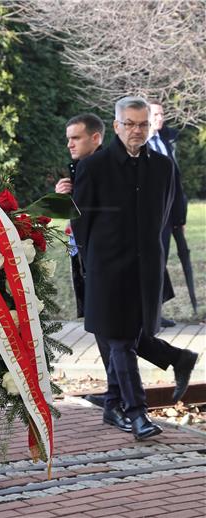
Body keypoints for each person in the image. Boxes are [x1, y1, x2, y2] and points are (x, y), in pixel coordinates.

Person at [57, 114, 198, 407]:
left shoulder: (112, 168)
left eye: (76, 138)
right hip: (93, 260)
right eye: (68, 138)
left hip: (117, 264)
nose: (69, 144)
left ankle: (133, 398)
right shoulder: (84, 166)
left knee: (118, 333)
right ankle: (117, 392)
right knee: (106, 328)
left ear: (96, 138)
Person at [71, 96, 174, 441]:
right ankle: (137, 412)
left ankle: (114, 403)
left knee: (124, 339)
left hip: (145, 271)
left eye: (143, 124)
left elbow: (163, 216)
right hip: (108, 270)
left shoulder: (162, 166)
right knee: (121, 340)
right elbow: (81, 224)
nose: (136, 130)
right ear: (116, 126)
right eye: (129, 124)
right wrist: (95, 262)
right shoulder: (94, 166)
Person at [148, 101, 188, 327]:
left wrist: (178, 216)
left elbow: (175, 182)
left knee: (160, 261)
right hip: (150, 216)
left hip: (167, 215)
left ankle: (155, 313)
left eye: (162, 114)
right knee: (151, 262)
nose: (160, 118)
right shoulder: (141, 145)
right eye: (156, 114)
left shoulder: (164, 142)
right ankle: (147, 316)